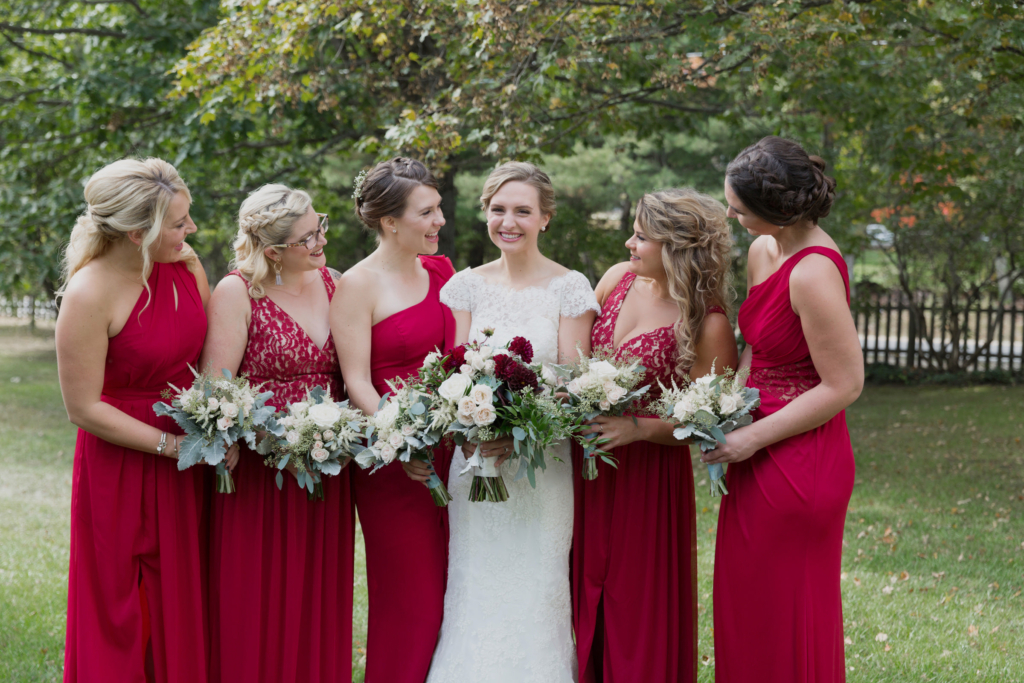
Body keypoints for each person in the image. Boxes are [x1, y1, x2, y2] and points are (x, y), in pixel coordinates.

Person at [409, 161, 599, 683]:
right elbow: (455, 371)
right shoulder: (466, 286)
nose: (508, 221)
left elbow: (573, 386)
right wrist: (475, 426)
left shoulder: (571, 286)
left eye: (522, 211)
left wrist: (522, 436)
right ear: (485, 213)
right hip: (475, 464)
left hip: (543, 466)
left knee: (537, 586)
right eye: (498, 209)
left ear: (546, 219)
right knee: (475, 584)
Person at [56, 158, 220, 682]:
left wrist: (216, 425)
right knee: (123, 607)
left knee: (181, 598)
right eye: (178, 223)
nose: (190, 230)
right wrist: (171, 447)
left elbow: (210, 361)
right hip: (122, 467)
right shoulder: (88, 293)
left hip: (190, 458)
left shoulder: (187, 266)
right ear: (135, 232)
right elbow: (83, 407)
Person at [709, 136, 862, 683]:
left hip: (800, 457)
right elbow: (760, 346)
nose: (731, 214)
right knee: (745, 600)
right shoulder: (763, 250)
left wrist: (751, 439)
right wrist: (727, 410)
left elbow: (844, 385)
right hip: (752, 442)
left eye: (738, 207)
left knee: (787, 606)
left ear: (774, 210)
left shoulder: (812, 272)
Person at [572, 188, 738, 683]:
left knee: (637, 607)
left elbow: (711, 421)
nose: (628, 244)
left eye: (641, 237)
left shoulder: (707, 321)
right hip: (587, 469)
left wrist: (639, 428)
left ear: (676, 247)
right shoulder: (616, 281)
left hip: (650, 481)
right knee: (581, 594)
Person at [199, 184, 354, 683]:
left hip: (329, 467)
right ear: (273, 251)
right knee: (255, 596)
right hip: (261, 475)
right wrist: (268, 438)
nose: (321, 240)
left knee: (317, 595)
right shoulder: (237, 291)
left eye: (320, 226)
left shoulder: (335, 283)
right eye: (309, 236)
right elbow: (216, 391)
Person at [330, 158, 454, 683]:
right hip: (392, 459)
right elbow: (357, 382)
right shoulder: (356, 286)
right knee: (414, 602)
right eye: (426, 212)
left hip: (454, 448)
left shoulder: (442, 272)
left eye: (439, 208)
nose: (440, 220)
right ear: (389, 222)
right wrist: (405, 442)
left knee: (457, 595)